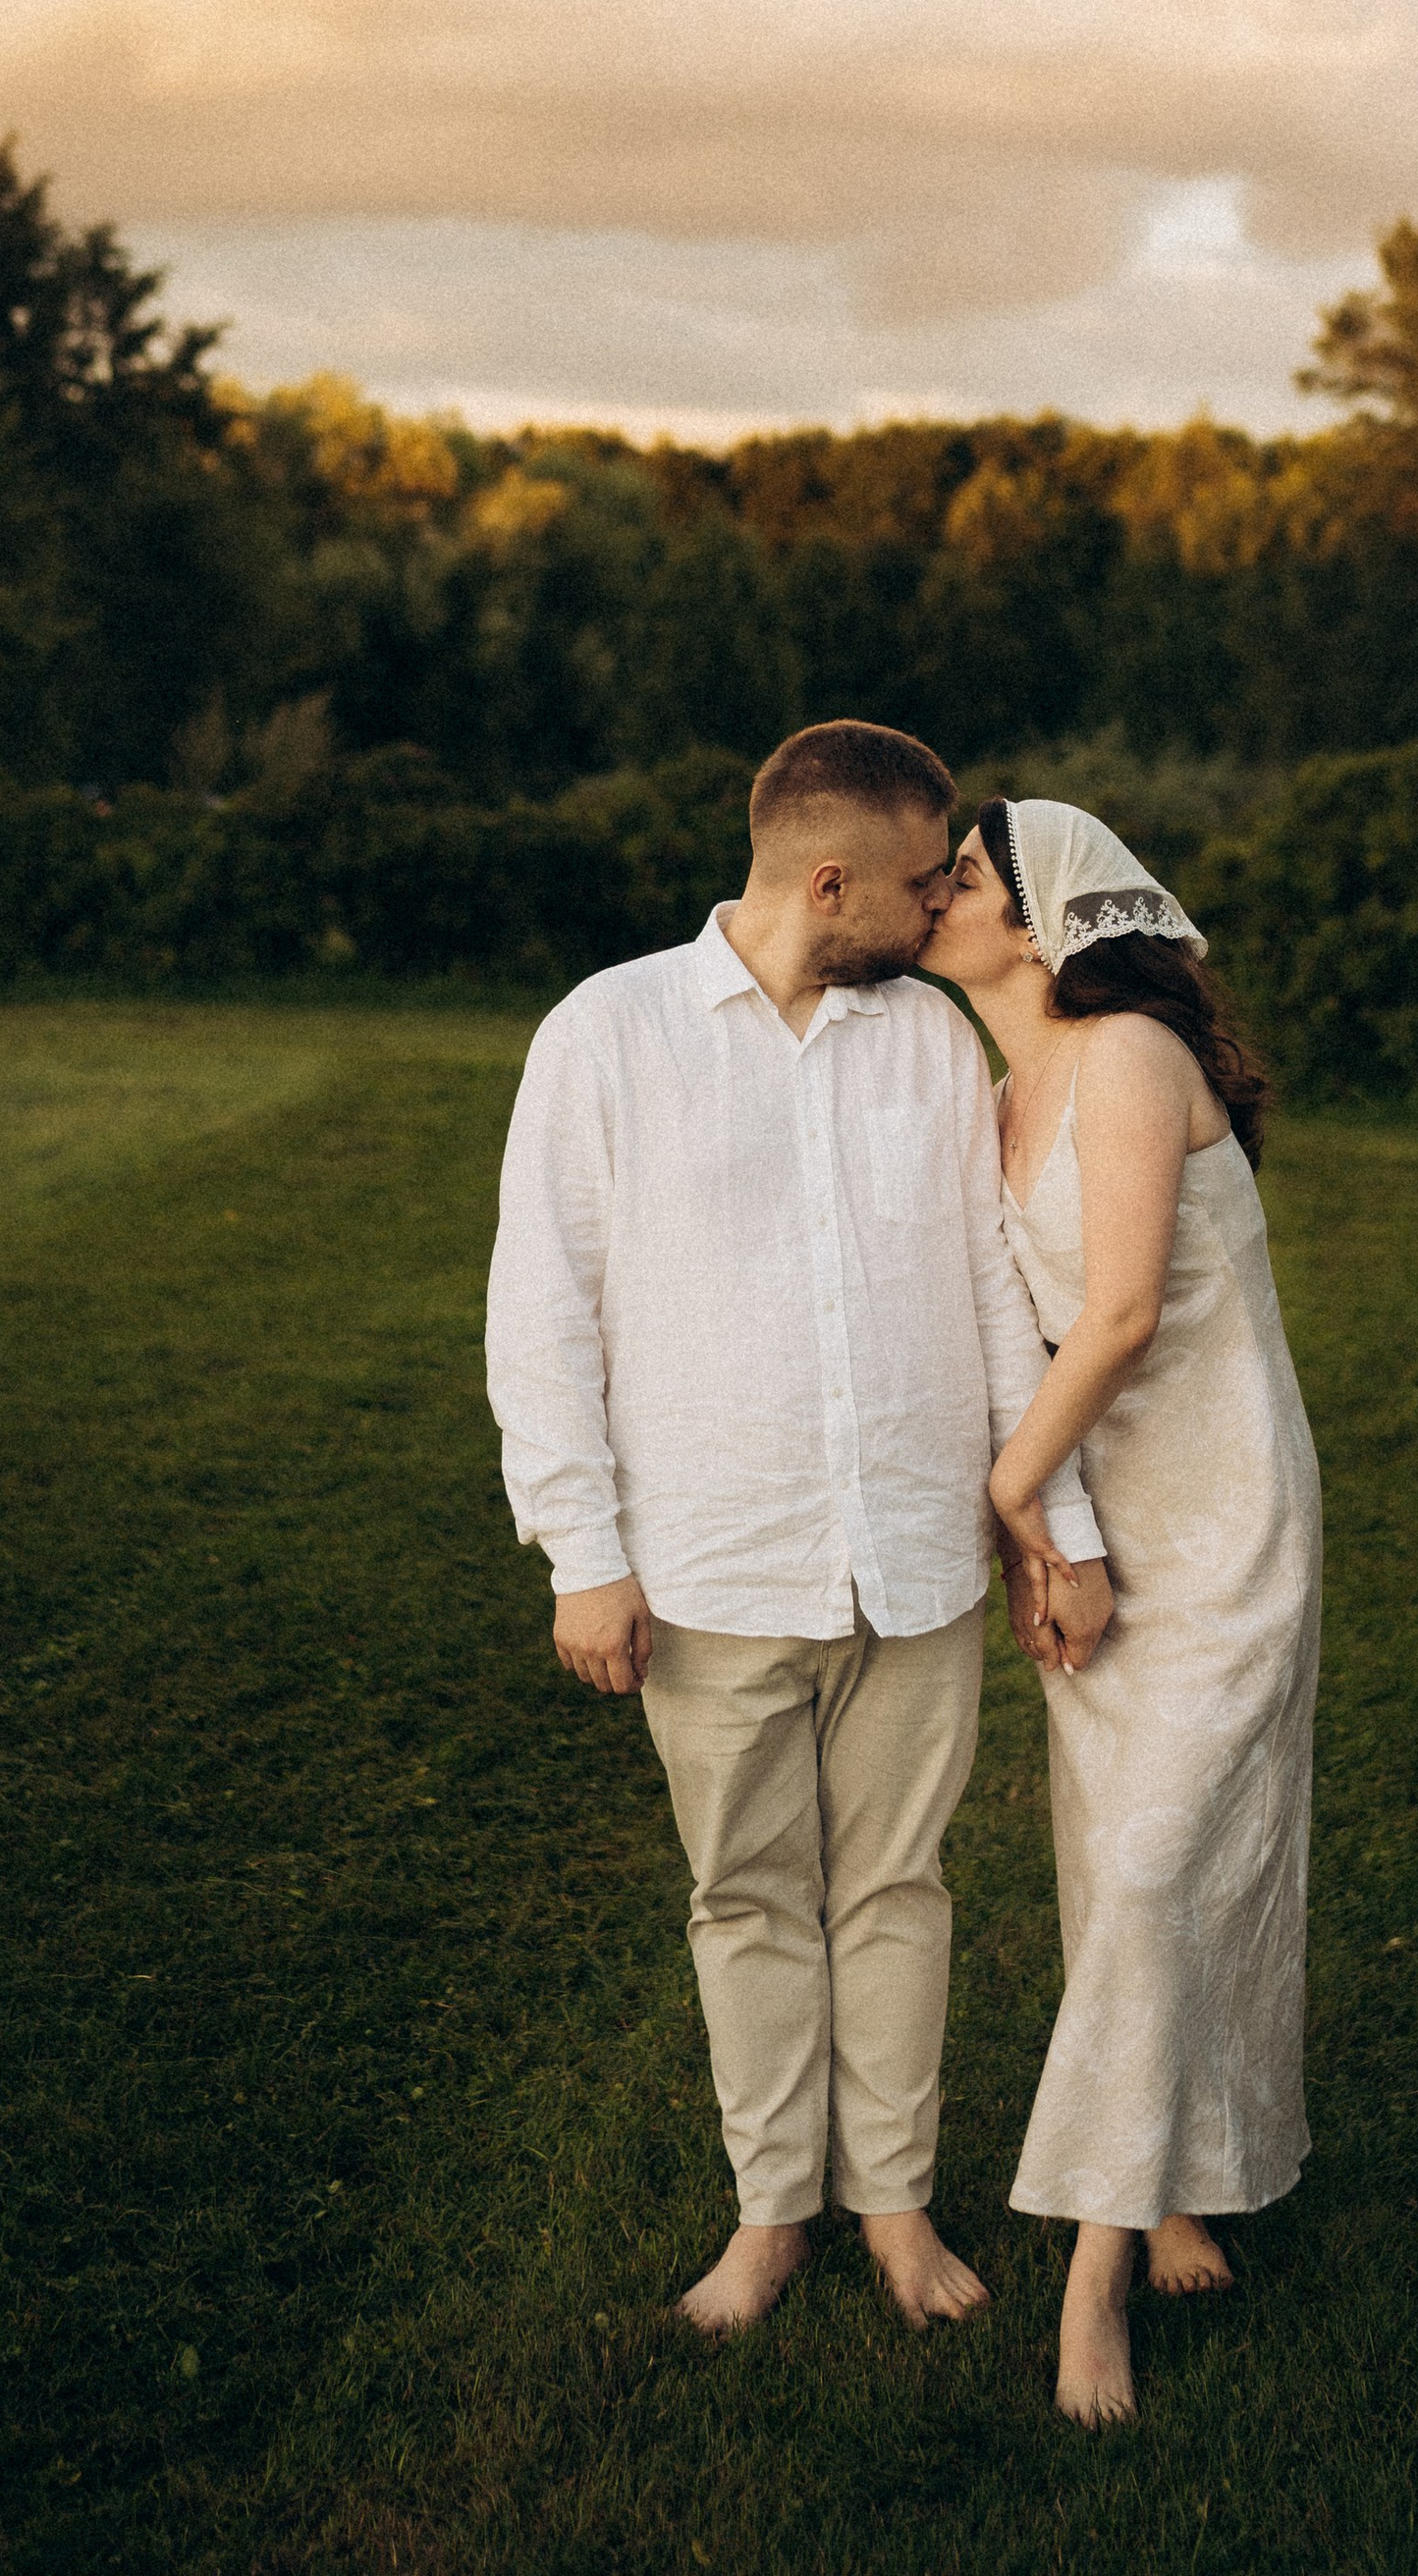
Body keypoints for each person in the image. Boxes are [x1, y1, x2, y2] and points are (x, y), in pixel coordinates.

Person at [485, 720, 1109, 2338]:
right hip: (709, 1564)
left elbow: (993, 1300)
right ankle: (772, 2216)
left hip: (911, 1558)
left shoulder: (923, 1044)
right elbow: (540, 1312)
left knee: (899, 1889)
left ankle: (892, 2205)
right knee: (748, 1896)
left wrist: (1052, 1524)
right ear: (827, 879)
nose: (938, 910)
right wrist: (584, 1554)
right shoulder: (607, 1036)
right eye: (920, 884)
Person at [921, 795, 1322, 2428]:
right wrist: (1051, 1527)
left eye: (958, 877)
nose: (931, 898)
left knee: (1165, 1867)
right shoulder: (1001, 1094)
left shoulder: (1135, 1061)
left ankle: (1087, 2289)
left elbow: (1131, 1309)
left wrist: (1013, 1496)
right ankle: (1169, 2183)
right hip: (1100, 1525)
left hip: (1224, 1519)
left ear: (1038, 916)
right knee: (1126, 1872)